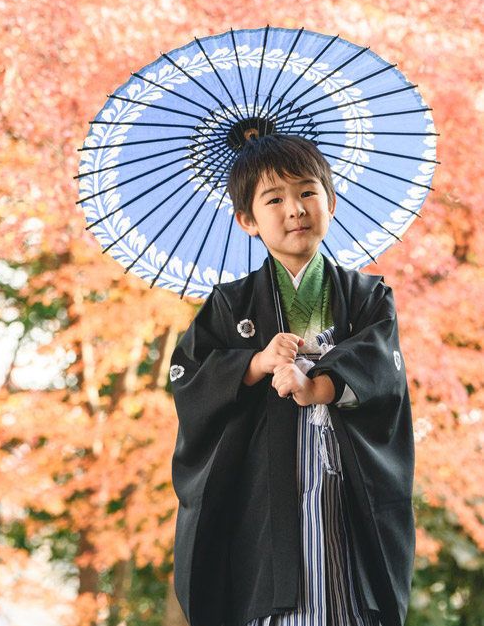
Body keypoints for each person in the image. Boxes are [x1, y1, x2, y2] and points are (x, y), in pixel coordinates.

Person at [169, 135, 415, 626]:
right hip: (263, 491)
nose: (295, 209)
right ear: (248, 220)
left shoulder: (368, 295)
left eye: (307, 192)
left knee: (342, 592)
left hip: (342, 477)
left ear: (331, 200)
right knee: (271, 594)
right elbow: (187, 377)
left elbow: (382, 368)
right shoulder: (228, 304)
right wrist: (255, 364)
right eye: (274, 199)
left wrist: (319, 387)